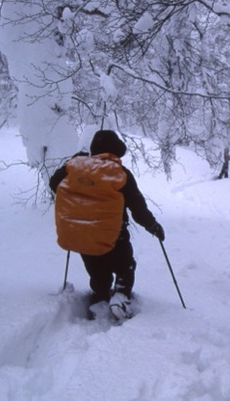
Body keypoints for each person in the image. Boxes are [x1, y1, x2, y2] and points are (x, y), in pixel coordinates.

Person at [50, 130, 165, 321]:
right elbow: (137, 206)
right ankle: (120, 296)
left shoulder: (75, 166)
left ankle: (100, 297)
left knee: (98, 271)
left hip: (82, 236)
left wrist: (73, 162)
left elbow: (55, 184)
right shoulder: (120, 173)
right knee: (125, 266)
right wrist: (152, 226)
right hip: (113, 236)